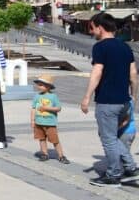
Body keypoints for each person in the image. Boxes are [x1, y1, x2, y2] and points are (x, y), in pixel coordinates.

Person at [80, 12, 139, 187]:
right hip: (124, 101)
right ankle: (130, 168)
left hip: (107, 101)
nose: (92, 32)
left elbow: (97, 72)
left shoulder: (100, 47)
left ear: (100, 27)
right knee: (111, 136)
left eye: (92, 28)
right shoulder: (125, 47)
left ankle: (114, 174)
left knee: (108, 138)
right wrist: (133, 98)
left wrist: (86, 97)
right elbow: (134, 75)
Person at [31, 75, 68, 163]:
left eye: (41, 85)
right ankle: (44, 154)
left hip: (50, 123)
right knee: (41, 138)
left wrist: (47, 108)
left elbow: (58, 108)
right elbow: (33, 108)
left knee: (55, 140)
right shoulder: (37, 96)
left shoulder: (53, 96)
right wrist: (32, 120)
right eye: (38, 84)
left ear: (47, 86)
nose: (38, 86)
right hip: (39, 122)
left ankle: (61, 156)